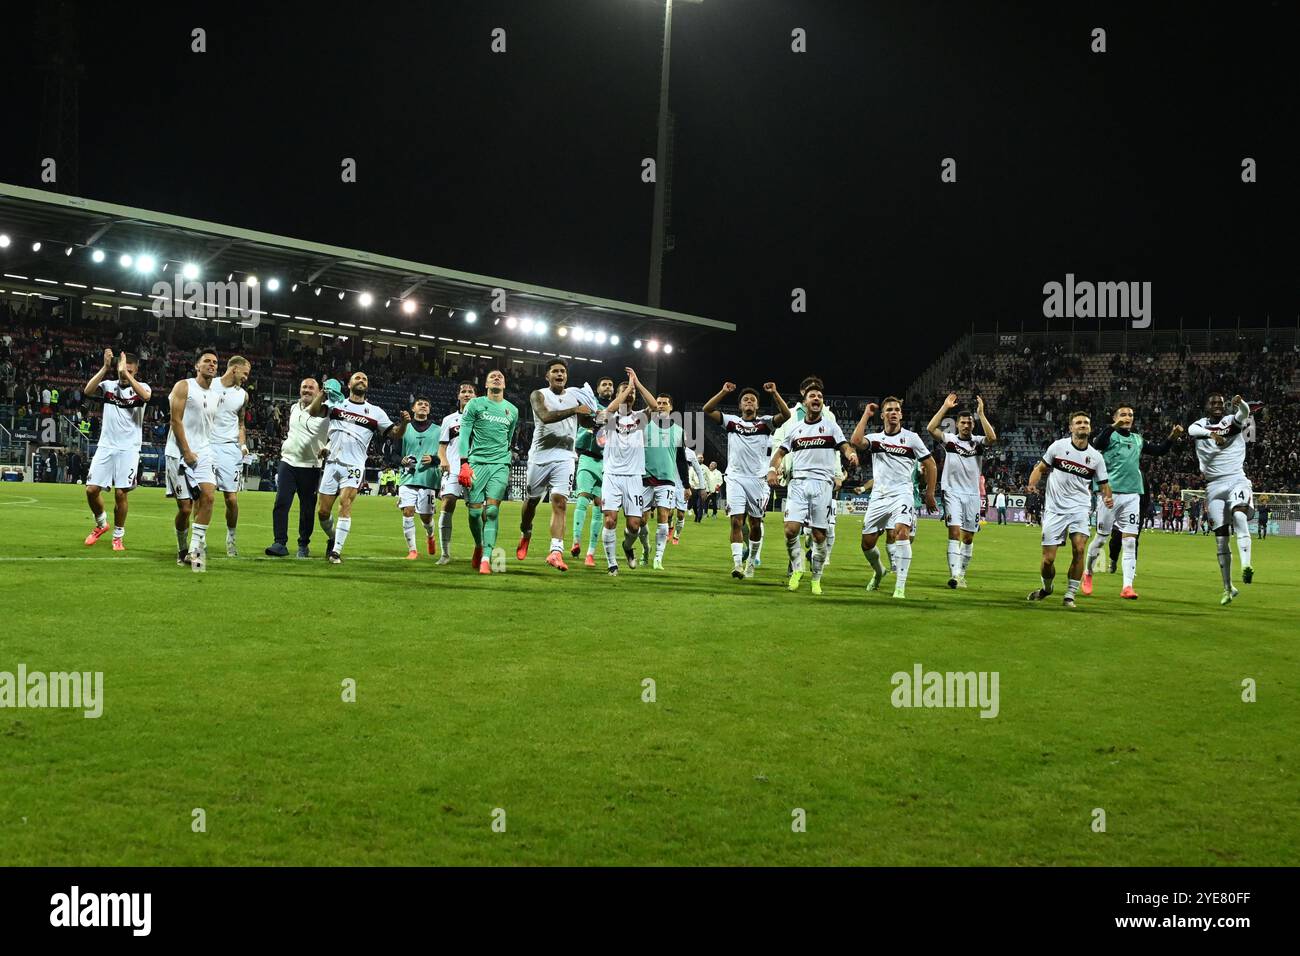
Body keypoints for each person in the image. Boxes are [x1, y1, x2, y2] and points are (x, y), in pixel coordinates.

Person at [308, 371, 410, 565]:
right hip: (332, 462)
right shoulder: (336, 404)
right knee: (322, 512)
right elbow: (313, 412)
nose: (362, 380)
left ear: (367, 386)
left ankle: (336, 551)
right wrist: (323, 392)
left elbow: (395, 434)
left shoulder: (376, 412)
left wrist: (404, 423)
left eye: (365, 378)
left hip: (354, 465)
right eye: (358, 378)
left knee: (345, 504)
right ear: (349, 384)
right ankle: (332, 538)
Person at [1082, 406, 1182, 600]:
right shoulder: (1109, 435)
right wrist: (1113, 426)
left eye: (1130, 415)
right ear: (1115, 418)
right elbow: (1097, 444)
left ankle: (1127, 586)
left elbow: (1159, 451)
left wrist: (1172, 436)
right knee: (1102, 538)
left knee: (1130, 541)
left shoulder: (1137, 439)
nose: (1127, 418)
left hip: (1132, 495)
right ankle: (1088, 573)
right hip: (1109, 494)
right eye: (1123, 415)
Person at [767, 385, 858, 596]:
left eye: (820, 396)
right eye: (812, 396)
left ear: (822, 403)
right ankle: (797, 569)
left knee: (819, 535)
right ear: (805, 402)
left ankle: (816, 579)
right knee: (790, 530)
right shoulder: (795, 428)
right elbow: (779, 453)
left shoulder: (831, 426)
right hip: (798, 483)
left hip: (822, 484)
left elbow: (845, 447)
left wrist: (851, 455)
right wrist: (772, 470)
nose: (816, 398)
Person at [702, 381, 791, 579]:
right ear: (740, 406)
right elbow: (707, 409)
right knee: (736, 522)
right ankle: (737, 565)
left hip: (758, 480)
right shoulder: (732, 422)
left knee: (756, 524)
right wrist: (723, 391)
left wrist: (775, 393)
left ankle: (751, 560)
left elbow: (786, 415)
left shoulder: (765, 423)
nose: (749, 402)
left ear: (757, 406)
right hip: (735, 477)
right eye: (745, 400)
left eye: (752, 400)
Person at [851, 396, 937, 599]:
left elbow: (931, 464)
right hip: (879, 497)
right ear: (882, 415)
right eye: (889, 410)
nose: (893, 412)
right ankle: (880, 571)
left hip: (902, 494)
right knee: (867, 543)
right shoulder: (875, 439)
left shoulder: (912, 438)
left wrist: (930, 493)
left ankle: (900, 587)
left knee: (901, 534)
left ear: (901, 414)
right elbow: (855, 441)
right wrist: (866, 414)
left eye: (897, 409)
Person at [1025, 412, 1113, 608]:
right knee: (1048, 560)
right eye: (1078, 423)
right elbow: (1040, 468)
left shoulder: (1096, 457)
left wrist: (1108, 497)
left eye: (1086, 423)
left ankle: (1070, 594)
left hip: (1080, 508)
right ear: (1071, 428)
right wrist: (1032, 484)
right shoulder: (1058, 447)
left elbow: (1104, 483)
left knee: (1079, 549)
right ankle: (1047, 589)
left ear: (1090, 428)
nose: (1083, 425)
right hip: (1055, 509)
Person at [517, 359, 593, 571]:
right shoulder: (538, 394)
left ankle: (556, 552)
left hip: (566, 456)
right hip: (539, 456)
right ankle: (526, 532)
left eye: (563, 372)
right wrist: (575, 410)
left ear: (566, 376)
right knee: (532, 502)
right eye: (555, 371)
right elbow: (545, 416)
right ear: (547, 376)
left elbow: (585, 422)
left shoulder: (574, 397)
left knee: (559, 502)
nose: (560, 374)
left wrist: (595, 419)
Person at [1188, 393, 1256, 605]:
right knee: (1220, 539)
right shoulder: (1199, 425)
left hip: (1237, 479)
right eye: (1213, 402)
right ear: (1207, 406)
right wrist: (1211, 435)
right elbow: (1192, 430)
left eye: (1220, 402)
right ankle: (1228, 588)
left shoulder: (1231, 421)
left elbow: (1244, 413)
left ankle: (1246, 565)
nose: (1217, 405)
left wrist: (1241, 403)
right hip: (1214, 485)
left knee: (1240, 516)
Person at [926, 392, 997, 590]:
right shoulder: (949, 440)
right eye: (963, 422)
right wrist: (945, 407)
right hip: (952, 492)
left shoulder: (978, 442)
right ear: (957, 424)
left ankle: (962, 574)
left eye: (969, 423)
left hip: (972, 494)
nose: (966, 425)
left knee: (968, 537)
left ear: (972, 425)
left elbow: (993, 438)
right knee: (954, 532)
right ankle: (955, 575)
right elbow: (931, 428)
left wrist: (981, 415)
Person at [82, 348, 150, 551]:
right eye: (122, 370)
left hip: (129, 448)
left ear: (135, 370)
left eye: (129, 370)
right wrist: (105, 367)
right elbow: (87, 391)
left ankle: (118, 536)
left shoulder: (142, 387)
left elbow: (146, 397)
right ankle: (101, 523)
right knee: (91, 490)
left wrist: (126, 373)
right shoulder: (109, 386)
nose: (124, 373)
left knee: (121, 493)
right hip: (106, 445)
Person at [457, 369, 520, 574]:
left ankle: (486, 557)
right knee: (475, 513)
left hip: (500, 464)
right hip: (476, 463)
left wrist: (504, 459)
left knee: (491, 510)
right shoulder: (475, 404)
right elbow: (464, 434)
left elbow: (509, 439)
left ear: (504, 385)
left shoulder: (512, 410)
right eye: (492, 376)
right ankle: (478, 544)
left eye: (500, 377)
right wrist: (464, 463)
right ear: (485, 384)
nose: (497, 377)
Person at [166, 347, 221, 571]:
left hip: (204, 452)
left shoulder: (216, 395)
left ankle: (195, 552)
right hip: (178, 452)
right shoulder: (184, 386)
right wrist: (187, 451)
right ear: (197, 366)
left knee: (208, 497)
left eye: (215, 362)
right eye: (207, 361)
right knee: (186, 509)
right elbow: (175, 421)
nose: (212, 365)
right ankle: (182, 547)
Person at [266, 380, 330, 558]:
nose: (307, 390)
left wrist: (328, 448)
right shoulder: (294, 407)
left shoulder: (326, 412)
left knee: (307, 508)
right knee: (281, 502)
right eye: (304, 387)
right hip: (288, 462)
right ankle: (279, 543)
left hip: (310, 465)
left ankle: (303, 544)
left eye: (311, 388)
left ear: (319, 392)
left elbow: (336, 435)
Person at [599, 372, 652, 575]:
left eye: (632, 393)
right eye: (625, 392)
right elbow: (609, 410)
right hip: (612, 474)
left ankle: (627, 547)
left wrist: (637, 384)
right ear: (618, 395)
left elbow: (655, 407)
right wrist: (627, 389)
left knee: (634, 525)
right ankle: (612, 563)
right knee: (610, 519)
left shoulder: (640, 418)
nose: (629, 395)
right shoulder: (610, 418)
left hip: (634, 477)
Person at [570, 377, 616, 566]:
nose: (608, 387)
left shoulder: (617, 410)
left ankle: (590, 553)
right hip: (588, 457)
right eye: (604, 384)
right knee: (582, 498)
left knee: (599, 506)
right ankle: (576, 542)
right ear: (597, 389)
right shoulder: (589, 404)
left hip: (606, 462)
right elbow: (583, 424)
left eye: (610, 385)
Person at [640, 391, 689, 570]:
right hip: (644, 479)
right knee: (641, 521)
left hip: (667, 480)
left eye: (664, 403)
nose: (660, 405)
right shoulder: (644, 426)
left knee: (663, 517)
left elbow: (681, 460)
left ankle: (658, 558)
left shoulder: (678, 431)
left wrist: (687, 485)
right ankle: (646, 549)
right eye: (658, 403)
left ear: (671, 407)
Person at [212, 356, 251, 557]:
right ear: (234, 369)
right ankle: (198, 542)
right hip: (207, 447)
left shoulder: (243, 396)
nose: (246, 378)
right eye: (245, 373)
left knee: (231, 500)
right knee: (204, 496)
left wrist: (243, 445)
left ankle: (231, 539)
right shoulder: (210, 385)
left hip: (229, 448)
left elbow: (241, 423)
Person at [435, 381, 476, 565]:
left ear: (475, 396)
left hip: (476, 469)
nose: (467, 394)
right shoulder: (449, 419)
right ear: (458, 396)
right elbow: (442, 446)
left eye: (470, 392)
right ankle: (445, 553)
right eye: (463, 392)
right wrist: (443, 460)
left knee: (478, 511)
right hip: (453, 467)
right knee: (448, 500)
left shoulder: (482, 418)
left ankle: (480, 549)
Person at [397, 396, 442, 559]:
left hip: (428, 478)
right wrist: (400, 460)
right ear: (413, 409)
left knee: (426, 517)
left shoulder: (438, 430)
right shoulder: (404, 428)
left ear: (429, 410)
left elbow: (445, 453)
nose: (423, 406)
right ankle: (412, 550)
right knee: (407, 512)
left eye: (426, 405)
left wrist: (434, 459)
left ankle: (430, 535)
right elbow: (394, 454)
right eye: (420, 404)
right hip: (407, 477)